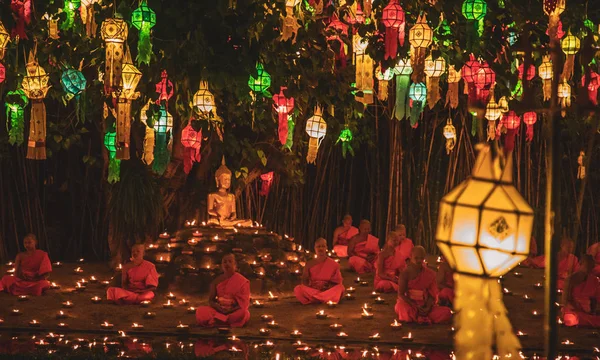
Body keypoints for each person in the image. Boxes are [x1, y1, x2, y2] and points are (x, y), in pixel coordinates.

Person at [395, 246, 452, 324]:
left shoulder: (430, 274)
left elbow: (432, 294)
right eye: (416, 258)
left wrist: (428, 307)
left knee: (447, 312)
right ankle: (420, 318)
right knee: (402, 308)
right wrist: (415, 306)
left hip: (424, 304)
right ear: (410, 256)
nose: (419, 260)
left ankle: (419, 318)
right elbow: (401, 294)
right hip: (410, 304)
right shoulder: (405, 273)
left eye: (421, 258)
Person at [196, 254, 250, 328]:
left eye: (230, 261)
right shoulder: (216, 280)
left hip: (233, 311)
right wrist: (219, 309)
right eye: (224, 262)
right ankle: (225, 321)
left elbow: (243, 304)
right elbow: (211, 300)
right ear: (222, 265)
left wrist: (229, 311)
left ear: (235, 265)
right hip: (219, 310)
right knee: (200, 311)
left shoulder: (242, 281)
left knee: (244, 313)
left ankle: (217, 321)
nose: (227, 264)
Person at [294, 238, 345, 304]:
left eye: (323, 246)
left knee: (340, 288)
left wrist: (328, 286)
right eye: (318, 246)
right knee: (298, 289)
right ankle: (323, 298)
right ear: (315, 248)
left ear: (326, 248)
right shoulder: (309, 263)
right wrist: (311, 286)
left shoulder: (334, 264)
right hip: (314, 290)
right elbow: (304, 280)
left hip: (327, 290)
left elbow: (338, 281)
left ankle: (316, 299)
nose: (321, 248)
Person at [562, 255, 600, 327]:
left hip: (588, 312)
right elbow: (565, 301)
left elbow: (598, 298)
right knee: (571, 318)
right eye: (587, 266)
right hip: (573, 311)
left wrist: (591, 309)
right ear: (580, 264)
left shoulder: (595, 280)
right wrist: (577, 307)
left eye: (591, 267)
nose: (589, 269)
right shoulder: (570, 280)